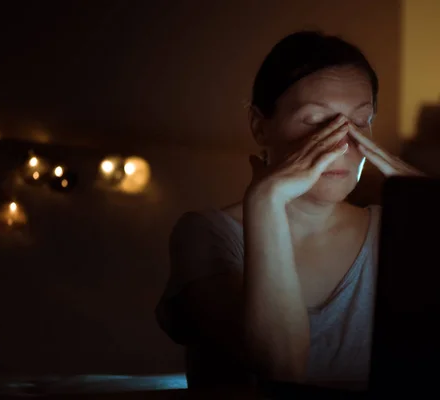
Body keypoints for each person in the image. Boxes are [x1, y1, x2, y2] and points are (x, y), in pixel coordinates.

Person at [156, 30, 421, 391]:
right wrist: (265, 202)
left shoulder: (390, 233)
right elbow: (281, 369)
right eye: (314, 122)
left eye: (359, 122)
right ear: (259, 126)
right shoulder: (205, 235)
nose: (341, 144)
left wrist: (431, 199)